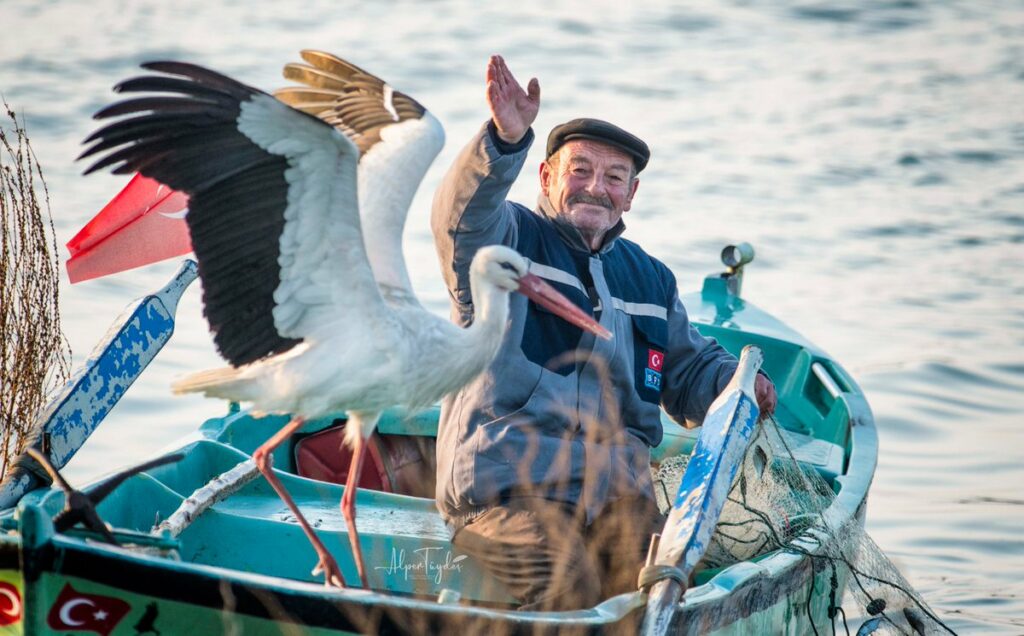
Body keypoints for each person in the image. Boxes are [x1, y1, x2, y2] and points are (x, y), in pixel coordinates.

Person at [430, 55, 777, 611]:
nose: (597, 188)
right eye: (581, 170)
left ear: (631, 195)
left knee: (667, 591)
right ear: (546, 177)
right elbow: (459, 219)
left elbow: (687, 372)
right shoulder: (506, 240)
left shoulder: (650, 278)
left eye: (614, 177)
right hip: (511, 499)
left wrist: (734, 383)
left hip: (618, 501)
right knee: (568, 586)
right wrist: (502, 140)